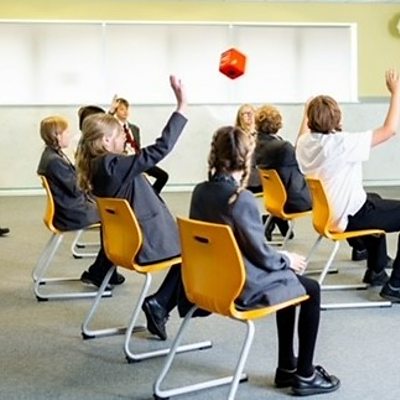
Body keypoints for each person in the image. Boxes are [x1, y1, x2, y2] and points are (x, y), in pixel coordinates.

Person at [190, 126, 340, 396]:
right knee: (311, 288)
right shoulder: (240, 199)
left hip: (211, 281)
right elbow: (260, 253)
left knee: (289, 281)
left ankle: (287, 366)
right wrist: (286, 258)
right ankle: (305, 374)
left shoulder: (199, 192)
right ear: (246, 158)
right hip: (241, 287)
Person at [75, 75, 189, 341]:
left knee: (189, 248)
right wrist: (182, 106)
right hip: (144, 243)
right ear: (105, 141)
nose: (125, 139)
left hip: (121, 244)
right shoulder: (112, 165)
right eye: (119, 136)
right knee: (195, 252)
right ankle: (160, 304)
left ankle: (161, 304)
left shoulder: (95, 165)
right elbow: (161, 148)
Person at [296, 68, 400, 300]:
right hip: (349, 216)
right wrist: (396, 92)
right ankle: (396, 286)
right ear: (337, 119)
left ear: (311, 120)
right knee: (377, 206)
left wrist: (306, 112)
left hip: (326, 215)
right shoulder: (341, 144)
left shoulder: (304, 145)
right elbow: (389, 130)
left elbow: (302, 134)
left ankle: (376, 270)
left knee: (375, 198)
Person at [37, 115, 125, 288]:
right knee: (117, 218)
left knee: (113, 213)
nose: (69, 135)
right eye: (66, 132)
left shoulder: (53, 155)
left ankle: (106, 271)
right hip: (72, 212)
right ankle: (99, 272)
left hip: (71, 206)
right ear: (56, 135)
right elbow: (77, 188)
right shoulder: (54, 161)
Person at [253, 104, 312, 241]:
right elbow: (300, 151)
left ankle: (273, 220)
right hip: (295, 201)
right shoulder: (282, 147)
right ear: (278, 123)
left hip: (276, 200)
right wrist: (306, 116)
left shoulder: (258, 144)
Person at [109, 96, 169, 194]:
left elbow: (137, 146)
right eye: (122, 109)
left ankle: (152, 195)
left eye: (126, 109)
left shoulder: (134, 128)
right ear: (116, 111)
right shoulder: (113, 127)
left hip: (137, 159)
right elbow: (104, 124)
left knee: (163, 176)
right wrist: (111, 111)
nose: (125, 112)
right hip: (125, 161)